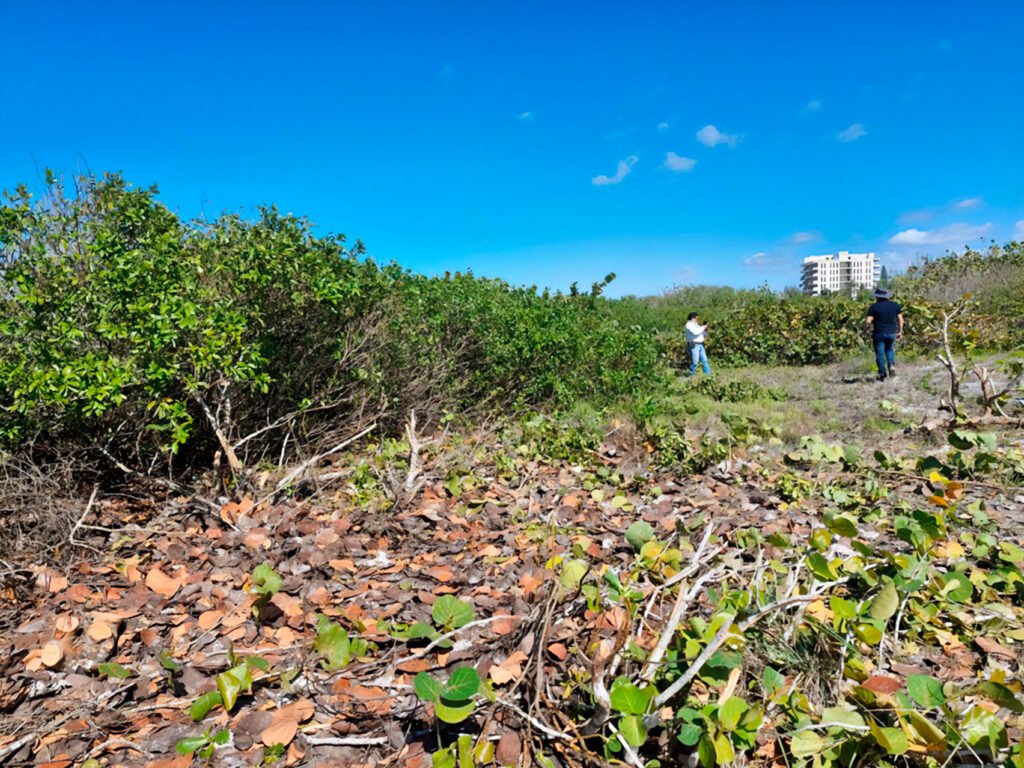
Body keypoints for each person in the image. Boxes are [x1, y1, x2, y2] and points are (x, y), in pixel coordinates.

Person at [865, 287, 903, 382]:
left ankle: (882, 374)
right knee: (890, 350)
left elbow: (868, 321)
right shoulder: (895, 306)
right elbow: (901, 320)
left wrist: (869, 329)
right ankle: (891, 365)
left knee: (880, 353)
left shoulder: (874, 307)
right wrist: (900, 331)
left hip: (879, 333)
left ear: (877, 297)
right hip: (891, 332)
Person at [685, 312, 711, 376]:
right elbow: (696, 332)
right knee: (695, 361)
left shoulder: (696, 325)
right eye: (697, 318)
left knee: (704, 359)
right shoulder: (689, 325)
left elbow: (702, 334)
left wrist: (706, 330)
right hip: (693, 345)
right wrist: (703, 327)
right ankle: (691, 374)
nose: (697, 320)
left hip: (700, 344)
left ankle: (708, 374)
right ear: (693, 318)